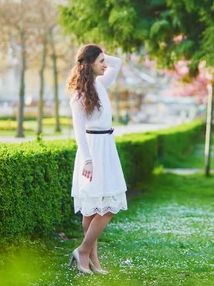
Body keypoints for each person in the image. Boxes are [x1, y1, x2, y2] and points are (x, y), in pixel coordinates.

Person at [66, 44, 127, 275]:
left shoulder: (101, 84)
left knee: (104, 206)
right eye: (100, 61)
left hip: (107, 147)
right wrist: (88, 160)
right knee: (94, 209)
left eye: (104, 60)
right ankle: (84, 253)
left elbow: (118, 62)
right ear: (90, 64)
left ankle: (90, 257)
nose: (105, 64)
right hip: (92, 151)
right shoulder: (79, 95)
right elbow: (79, 132)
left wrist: (96, 55)